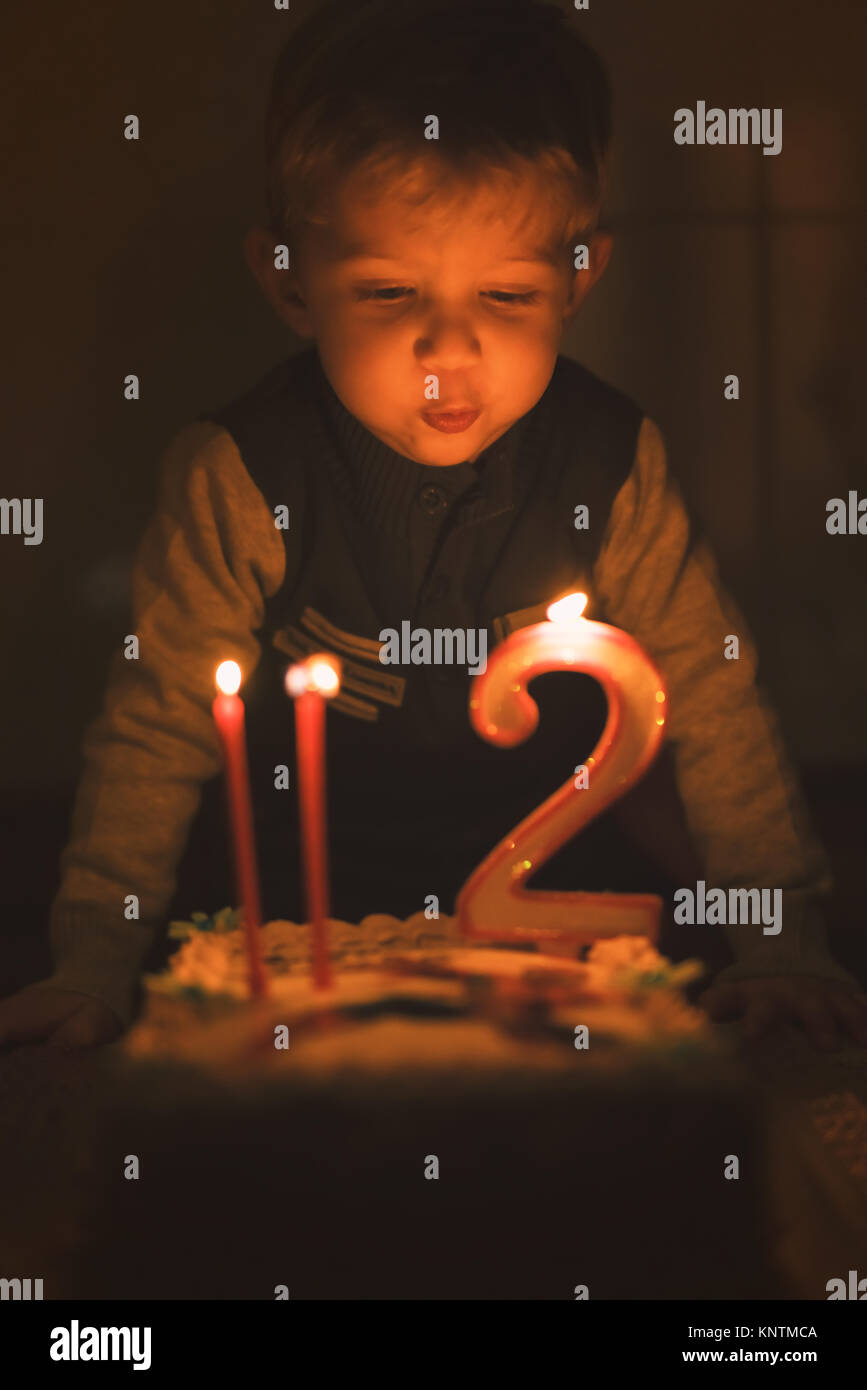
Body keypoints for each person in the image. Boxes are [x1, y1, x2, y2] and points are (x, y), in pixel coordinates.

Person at [2, 0, 865, 1052]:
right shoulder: (239, 472)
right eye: (390, 290)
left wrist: (781, 937)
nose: (447, 349)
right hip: (296, 934)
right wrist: (93, 961)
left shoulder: (613, 461)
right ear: (288, 282)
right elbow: (155, 727)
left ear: (579, 277)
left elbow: (713, 702)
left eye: (506, 294)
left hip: (564, 932)